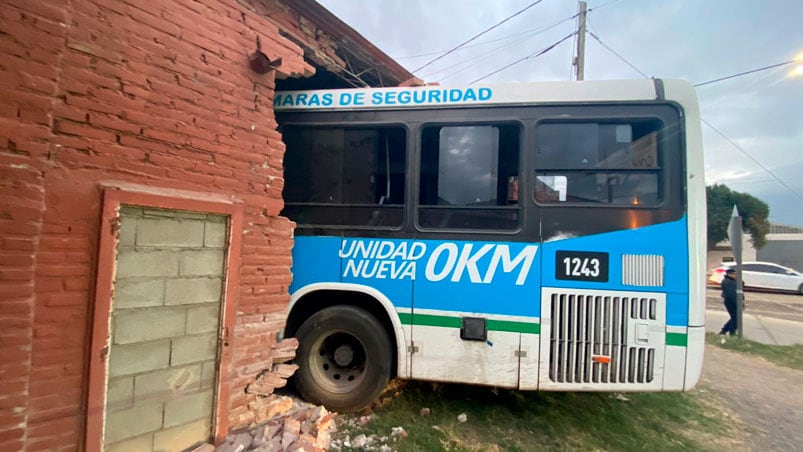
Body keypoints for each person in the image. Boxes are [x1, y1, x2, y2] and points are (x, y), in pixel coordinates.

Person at [719, 267, 738, 336]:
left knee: (734, 317)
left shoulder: (732, 281)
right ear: (730, 274)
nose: (735, 275)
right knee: (735, 318)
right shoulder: (727, 282)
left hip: (734, 301)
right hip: (731, 301)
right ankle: (731, 332)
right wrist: (737, 303)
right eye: (734, 274)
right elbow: (732, 294)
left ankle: (724, 330)